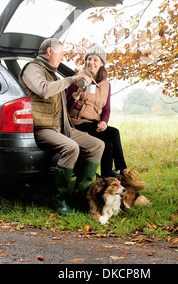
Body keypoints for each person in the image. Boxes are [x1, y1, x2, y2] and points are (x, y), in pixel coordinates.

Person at [19, 38, 105, 215]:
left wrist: (74, 96)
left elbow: (57, 101)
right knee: (71, 147)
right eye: (61, 53)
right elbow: (43, 89)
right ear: (50, 52)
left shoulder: (51, 73)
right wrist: (71, 79)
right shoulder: (33, 68)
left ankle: (82, 195)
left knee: (97, 145)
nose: (63, 57)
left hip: (61, 127)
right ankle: (60, 200)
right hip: (42, 128)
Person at [66, 45, 146, 190]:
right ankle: (123, 173)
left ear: (102, 63)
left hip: (94, 123)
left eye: (95, 59)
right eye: (89, 59)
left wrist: (104, 121)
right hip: (77, 123)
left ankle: (107, 181)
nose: (91, 62)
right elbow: (66, 107)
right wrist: (76, 95)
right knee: (114, 133)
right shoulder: (78, 79)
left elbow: (107, 109)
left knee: (108, 145)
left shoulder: (106, 85)